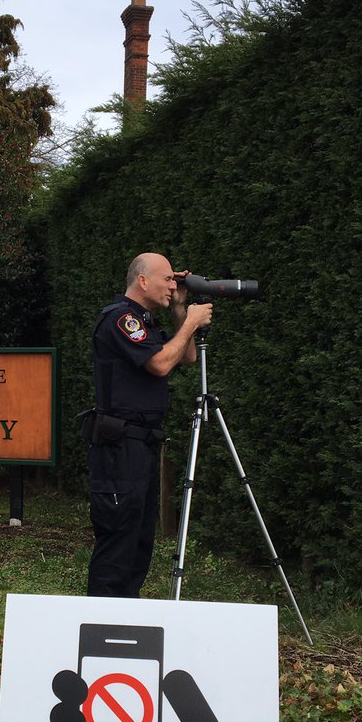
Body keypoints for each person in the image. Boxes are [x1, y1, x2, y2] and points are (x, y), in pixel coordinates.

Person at [85, 252, 213, 598]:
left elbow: (186, 356)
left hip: (141, 445)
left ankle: (127, 615)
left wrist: (180, 311)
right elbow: (159, 364)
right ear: (143, 281)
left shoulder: (145, 321)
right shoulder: (121, 319)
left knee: (139, 542)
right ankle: (103, 618)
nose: (173, 285)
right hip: (119, 447)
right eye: (167, 278)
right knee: (118, 541)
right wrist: (191, 322)